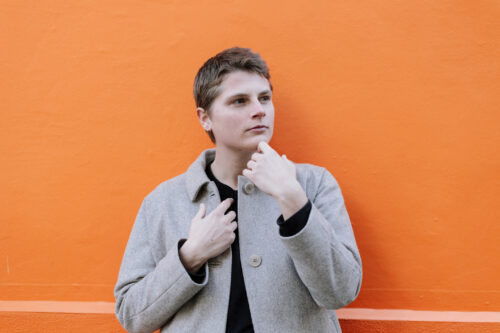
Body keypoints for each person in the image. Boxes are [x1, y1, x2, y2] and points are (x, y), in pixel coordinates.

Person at [114, 47, 362, 333]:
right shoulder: (163, 201)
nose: (259, 110)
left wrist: (293, 200)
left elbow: (341, 292)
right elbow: (131, 316)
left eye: (265, 98)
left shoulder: (314, 185)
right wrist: (191, 255)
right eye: (239, 101)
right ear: (205, 117)